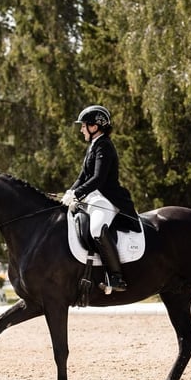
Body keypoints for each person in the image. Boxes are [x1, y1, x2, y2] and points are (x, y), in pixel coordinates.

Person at [61, 105, 139, 293]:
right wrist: (69, 193)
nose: (81, 129)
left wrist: (77, 194)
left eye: (84, 126)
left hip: (108, 199)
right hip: (94, 198)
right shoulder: (93, 146)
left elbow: (98, 179)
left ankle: (116, 277)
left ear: (95, 126)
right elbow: (82, 176)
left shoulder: (104, 145)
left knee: (97, 229)